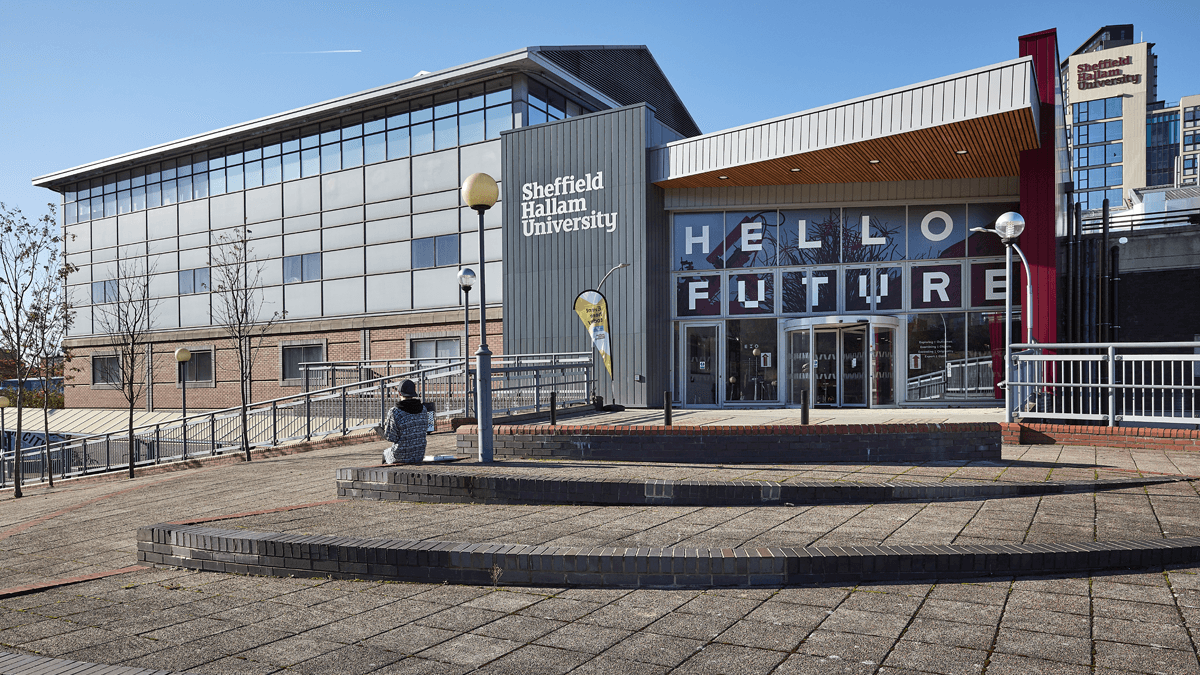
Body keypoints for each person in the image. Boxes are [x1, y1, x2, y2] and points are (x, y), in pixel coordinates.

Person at [383, 379, 427, 464]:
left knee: (385, 453)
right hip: (419, 454)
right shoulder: (424, 409)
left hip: (401, 455)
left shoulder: (395, 411)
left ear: (399, 393)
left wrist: (382, 431)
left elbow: (391, 437)